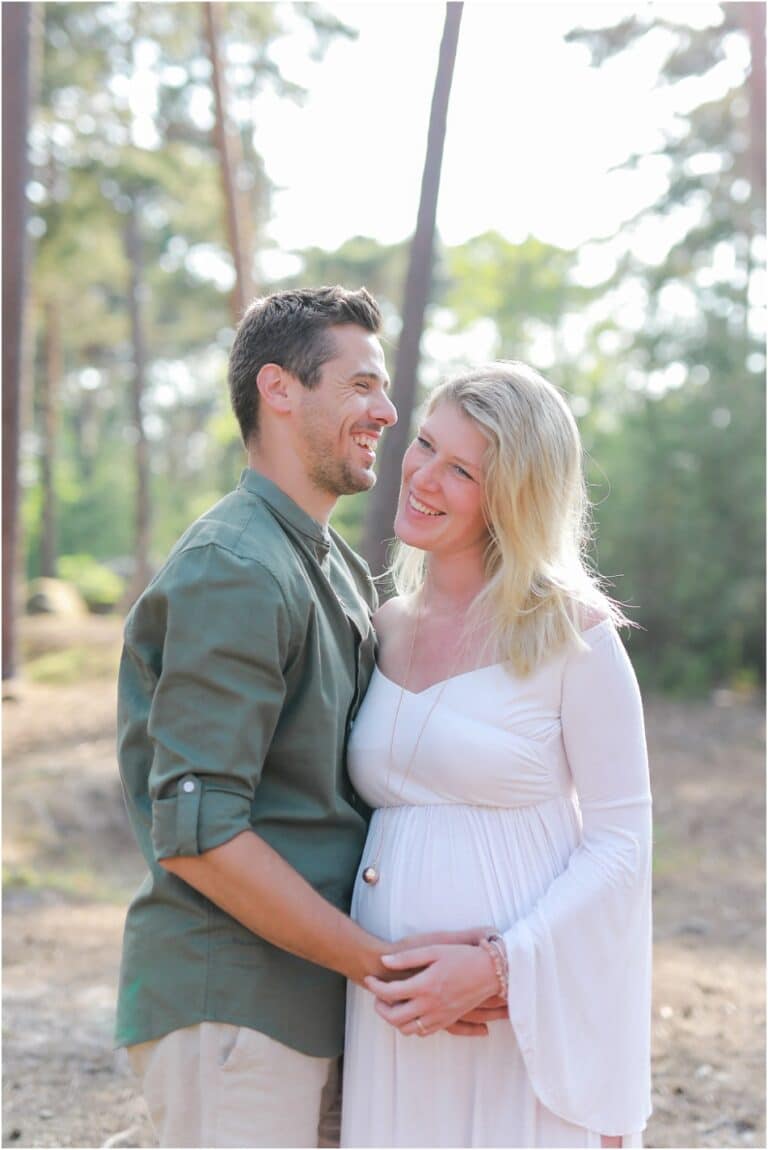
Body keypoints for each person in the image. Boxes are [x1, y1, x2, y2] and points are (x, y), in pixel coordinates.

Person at [116, 285, 409, 1149]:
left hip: (314, 1003)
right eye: (361, 386)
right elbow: (202, 833)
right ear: (279, 390)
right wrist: (380, 964)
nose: (387, 411)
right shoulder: (235, 566)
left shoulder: (335, 568)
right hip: (235, 1008)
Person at [341, 362, 653, 1148]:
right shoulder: (381, 627)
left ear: (512, 495)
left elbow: (622, 841)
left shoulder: (573, 636)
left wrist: (502, 967)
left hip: (517, 1012)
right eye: (424, 446)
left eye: (462, 471)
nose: (423, 477)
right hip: (393, 1010)